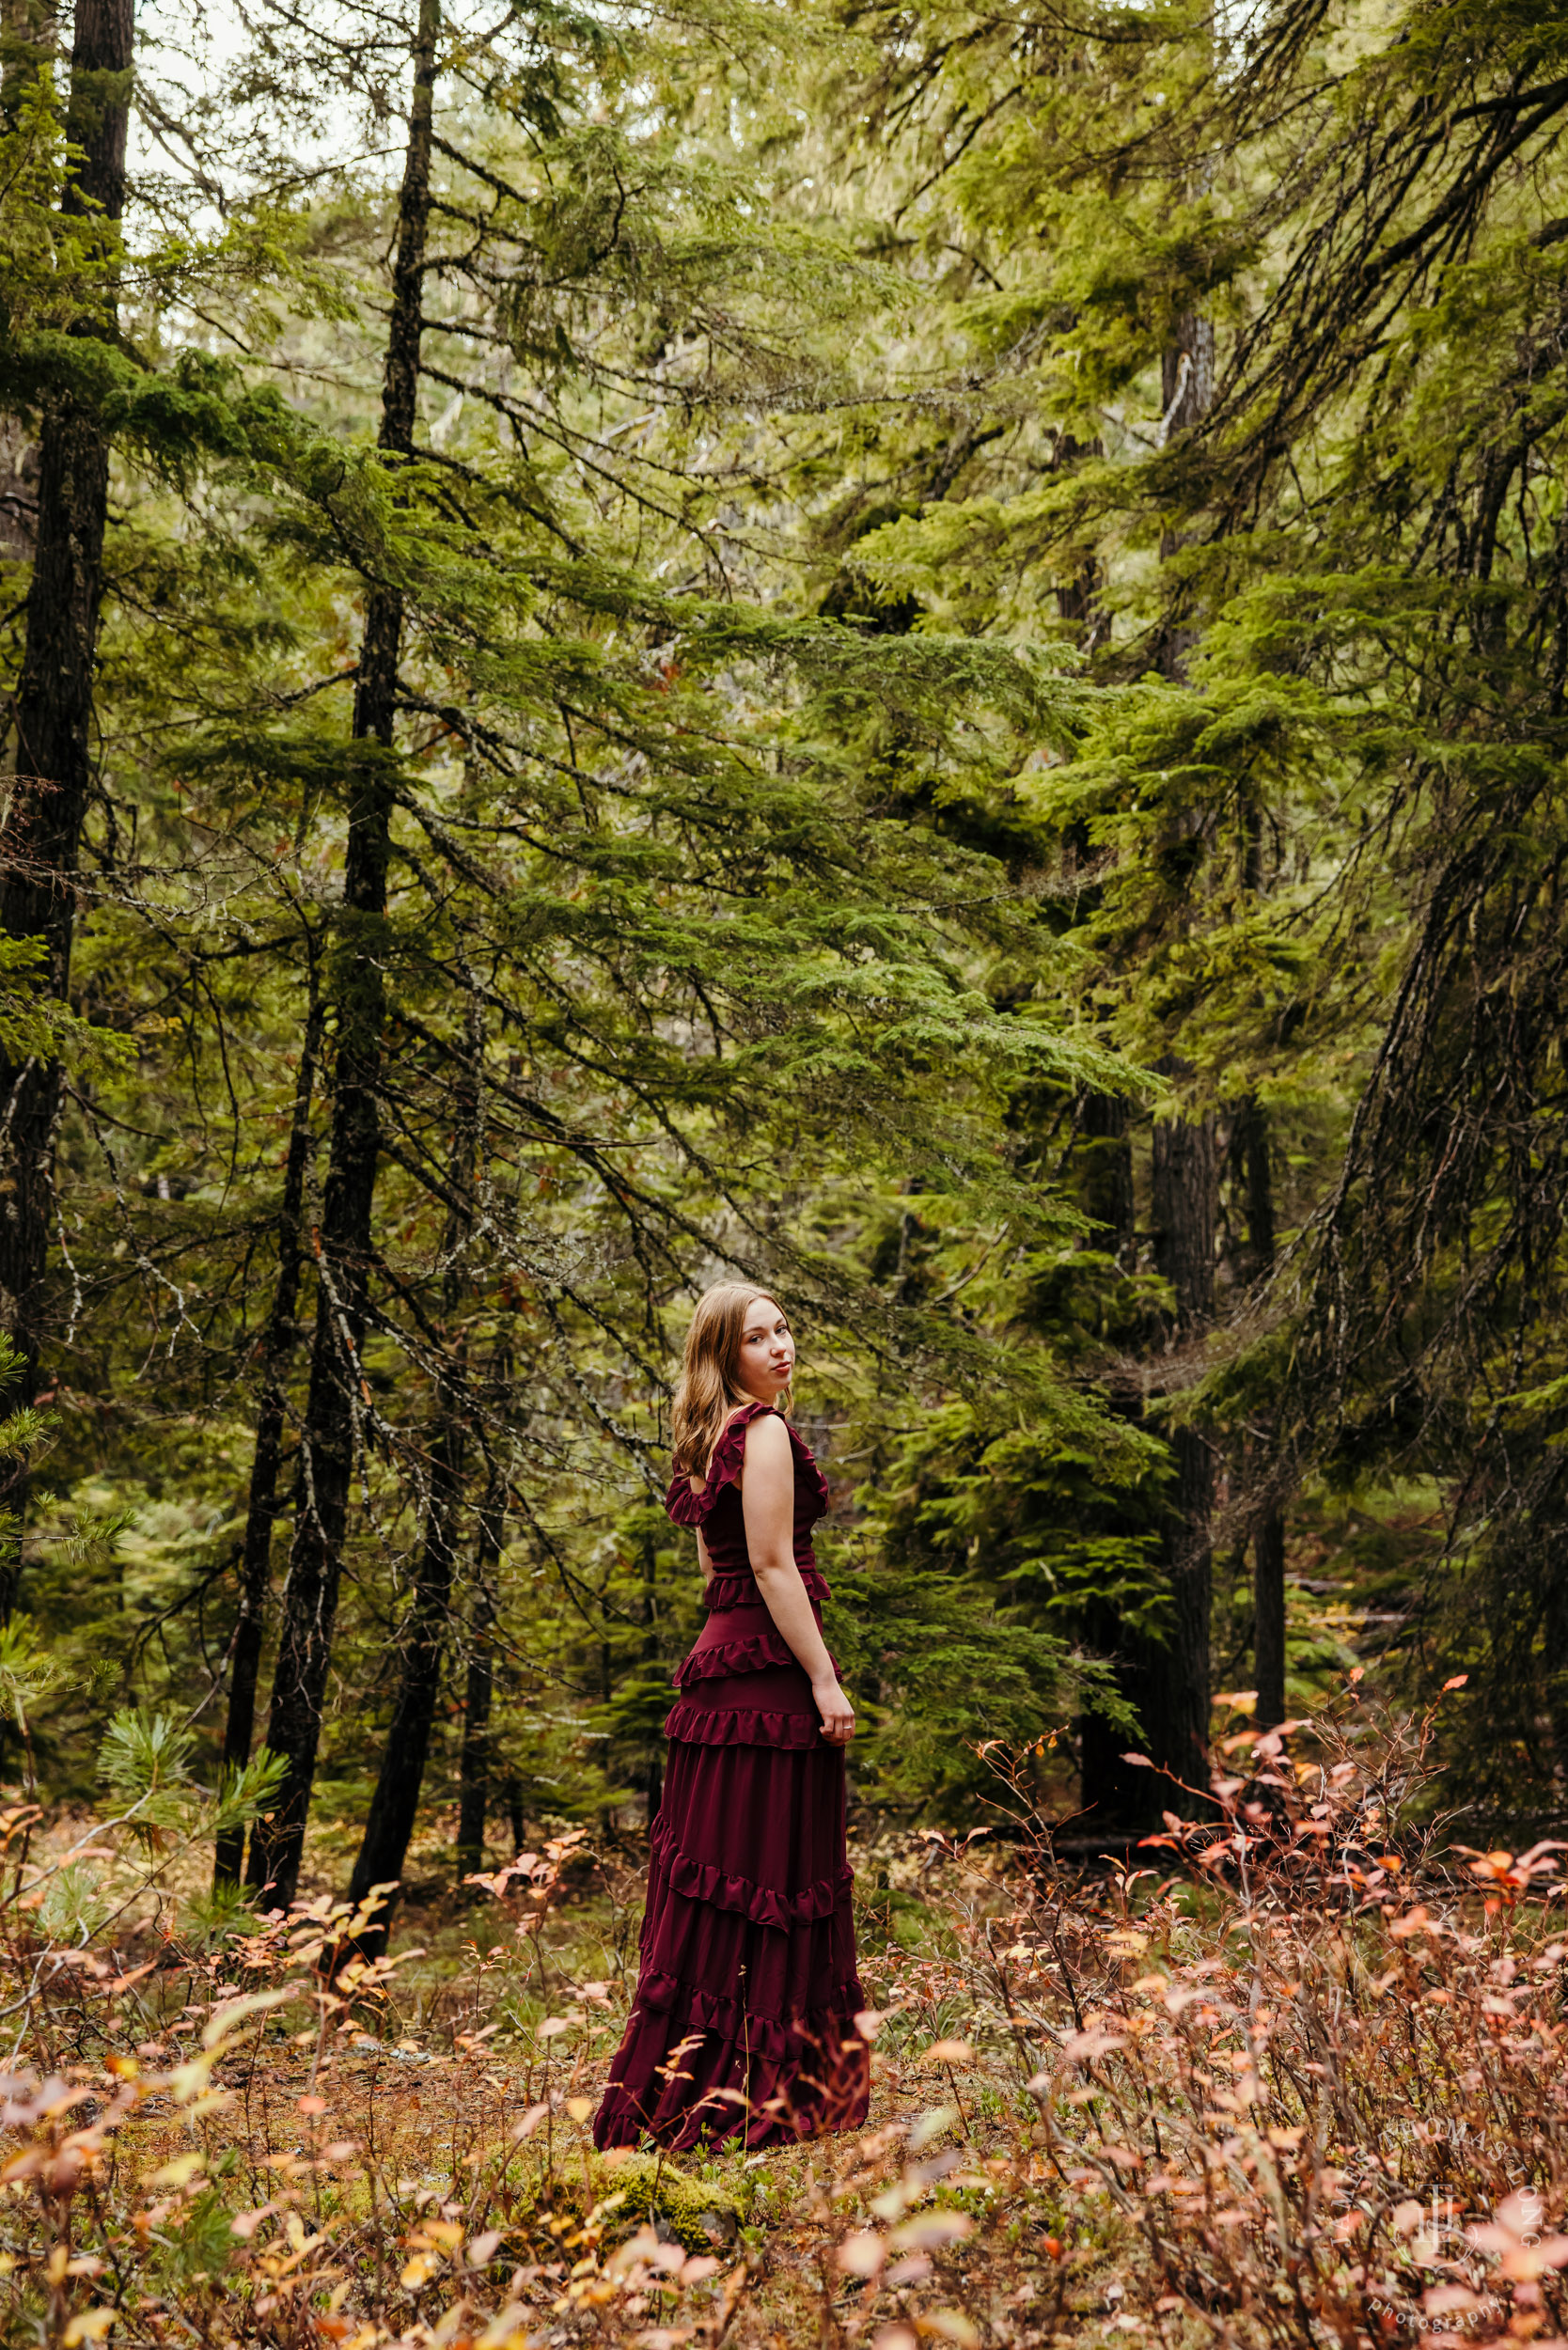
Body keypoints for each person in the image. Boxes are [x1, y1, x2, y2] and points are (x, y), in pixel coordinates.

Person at [593, 1281, 870, 2150]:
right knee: (774, 1878)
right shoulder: (768, 1433)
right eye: (759, 1338)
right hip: (767, 1682)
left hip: (717, 1678)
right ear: (725, 1356)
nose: (781, 1346)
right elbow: (772, 1566)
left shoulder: (710, 1439)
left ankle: (679, 2098)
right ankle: (782, 2101)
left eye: (785, 1328)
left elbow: (719, 1571)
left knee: (722, 1884)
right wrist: (824, 1680)